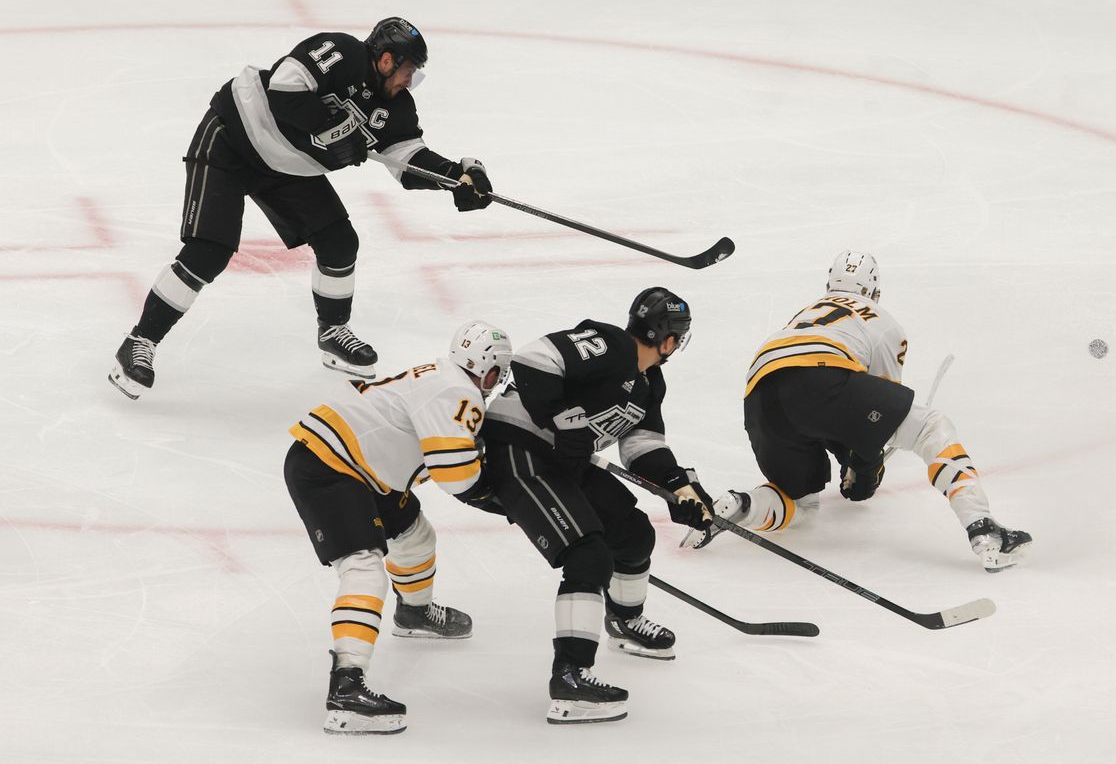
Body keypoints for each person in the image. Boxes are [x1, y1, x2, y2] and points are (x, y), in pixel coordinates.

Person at [109, 17, 494, 400]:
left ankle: (331, 332)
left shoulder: (396, 109)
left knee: (339, 242)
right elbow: (284, 89)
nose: (409, 81)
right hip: (233, 138)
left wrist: (454, 176)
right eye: (408, 71)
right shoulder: (340, 51)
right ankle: (139, 341)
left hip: (286, 168)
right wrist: (333, 129)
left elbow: (408, 160)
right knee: (209, 250)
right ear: (387, 59)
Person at [685, 251, 1032, 573]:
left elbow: (839, 415)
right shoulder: (882, 321)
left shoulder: (808, 310)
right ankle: (983, 529)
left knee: (800, 504)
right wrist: (864, 468)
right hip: (821, 376)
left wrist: (853, 457)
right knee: (930, 427)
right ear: (874, 290)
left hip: (759, 394)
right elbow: (873, 426)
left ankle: (742, 505)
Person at [481, 287, 714, 725]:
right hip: (518, 449)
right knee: (589, 555)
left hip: (564, 460)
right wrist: (563, 418)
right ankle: (571, 675)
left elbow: (643, 447)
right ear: (668, 339)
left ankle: (625, 622)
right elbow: (533, 360)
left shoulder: (649, 384)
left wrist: (678, 488)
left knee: (633, 534)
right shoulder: (611, 345)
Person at [283, 320, 512, 735]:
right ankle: (346, 688)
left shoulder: (446, 376)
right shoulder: (458, 390)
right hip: (331, 467)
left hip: (364, 467)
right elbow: (457, 476)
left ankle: (415, 612)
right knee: (365, 568)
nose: (498, 382)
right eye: (499, 371)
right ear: (488, 368)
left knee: (415, 535)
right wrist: (515, 504)